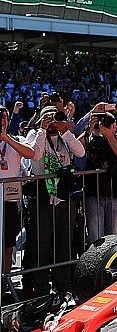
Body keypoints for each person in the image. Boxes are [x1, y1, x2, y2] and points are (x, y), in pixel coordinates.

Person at [24, 106, 86, 295]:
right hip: (42, 195)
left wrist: (66, 131)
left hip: (64, 195)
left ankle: (63, 285)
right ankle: (41, 287)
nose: (52, 123)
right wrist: (43, 129)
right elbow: (36, 155)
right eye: (47, 118)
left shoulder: (64, 138)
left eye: (54, 119)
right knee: (41, 244)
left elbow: (81, 152)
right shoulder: (35, 135)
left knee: (63, 242)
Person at [80, 111, 117, 244]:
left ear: (115, 126)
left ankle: (109, 264)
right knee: (95, 237)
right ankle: (94, 264)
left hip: (116, 193)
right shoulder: (91, 139)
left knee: (112, 237)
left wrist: (109, 136)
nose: (105, 126)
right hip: (94, 193)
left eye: (108, 124)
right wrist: (89, 130)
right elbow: (77, 150)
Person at [0, 106, 35, 276]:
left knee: (8, 246)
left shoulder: (16, 140)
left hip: (10, 202)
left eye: (4, 118)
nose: (2, 121)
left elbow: (30, 153)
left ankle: (5, 283)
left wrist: (6, 138)